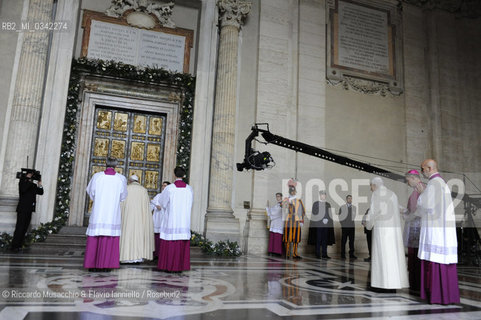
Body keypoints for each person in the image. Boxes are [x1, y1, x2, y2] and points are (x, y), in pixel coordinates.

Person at [415, 159, 459, 304]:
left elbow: (425, 206)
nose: (422, 172)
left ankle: (436, 296)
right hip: (443, 230)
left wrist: (421, 194)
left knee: (434, 261)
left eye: (422, 169)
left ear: (429, 168)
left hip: (436, 231)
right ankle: (446, 295)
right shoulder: (441, 183)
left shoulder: (434, 183)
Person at [84, 157, 127, 272]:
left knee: (95, 237)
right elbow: (123, 196)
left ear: (105, 164)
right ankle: (106, 265)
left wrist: (98, 200)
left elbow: (90, 192)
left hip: (99, 212)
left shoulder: (97, 176)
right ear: (116, 166)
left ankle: (92, 265)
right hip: (112, 213)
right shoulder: (121, 179)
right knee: (109, 239)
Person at [366, 177, 409, 291]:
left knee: (382, 257)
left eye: (371, 186)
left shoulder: (376, 194)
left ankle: (383, 284)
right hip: (394, 231)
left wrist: (368, 224)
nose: (371, 189)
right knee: (392, 258)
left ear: (374, 185)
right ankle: (393, 285)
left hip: (382, 231)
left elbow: (373, 212)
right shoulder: (392, 194)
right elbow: (398, 208)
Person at [156, 167, 193, 272]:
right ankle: (180, 266)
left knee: (171, 242)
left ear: (174, 175)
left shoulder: (170, 188)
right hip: (184, 221)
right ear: (184, 175)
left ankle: (168, 266)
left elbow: (163, 203)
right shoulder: (189, 189)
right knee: (181, 243)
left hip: (172, 220)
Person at [119, 175, 154, 264]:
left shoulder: (126, 188)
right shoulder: (143, 190)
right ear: (138, 181)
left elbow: (121, 204)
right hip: (140, 218)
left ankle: (125, 257)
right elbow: (147, 207)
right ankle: (138, 258)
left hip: (127, 217)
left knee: (127, 235)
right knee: (138, 236)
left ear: (130, 181)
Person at [402, 169, 425, 292]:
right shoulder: (414, 192)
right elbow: (411, 211)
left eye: (408, 180)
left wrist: (407, 214)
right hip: (413, 229)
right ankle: (414, 283)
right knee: (413, 257)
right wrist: (404, 211)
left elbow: (422, 211)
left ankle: (418, 283)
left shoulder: (423, 190)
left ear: (414, 178)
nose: (407, 183)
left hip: (420, 229)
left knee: (417, 257)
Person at [10, 171, 44, 252]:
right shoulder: (22, 182)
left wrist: (39, 184)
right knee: (20, 227)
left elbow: (41, 192)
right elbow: (23, 189)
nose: (31, 176)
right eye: (30, 175)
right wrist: (27, 178)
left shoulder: (33, 185)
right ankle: (14, 246)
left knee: (24, 228)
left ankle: (19, 245)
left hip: (29, 209)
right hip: (22, 209)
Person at [282, 180, 305, 259]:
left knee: (296, 238)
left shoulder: (299, 201)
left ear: (295, 192)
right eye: (291, 191)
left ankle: (295, 254)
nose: (292, 192)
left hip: (296, 221)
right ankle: (287, 253)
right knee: (287, 237)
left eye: (294, 191)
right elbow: (283, 209)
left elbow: (302, 211)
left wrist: (301, 221)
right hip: (288, 221)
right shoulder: (286, 200)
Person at [310, 190, 335, 259]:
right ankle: (318, 254)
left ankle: (324, 254)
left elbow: (329, 214)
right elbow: (314, 214)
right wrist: (321, 219)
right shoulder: (316, 203)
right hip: (318, 224)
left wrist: (327, 220)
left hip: (326, 225)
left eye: (324, 195)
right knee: (318, 239)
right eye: (321, 195)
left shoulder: (328, 204)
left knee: (325, 239)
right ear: (320, 195)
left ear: (325, 196)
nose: (323, 196)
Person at [151, 181, 170, 259]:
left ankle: (162, 254)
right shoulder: (158, 196)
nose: (163, 187)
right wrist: (156, 207)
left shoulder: (170, 195)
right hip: (157, 219)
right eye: (163, 186)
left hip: (165, 218)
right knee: (156, 237)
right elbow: (152, 205)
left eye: (165, 186)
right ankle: (155, 253)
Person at [338, 195, 357, 259]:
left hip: (352, 227)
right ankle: (342, 254)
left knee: (351, 241)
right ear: (346, 199)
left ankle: (351, 254)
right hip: (345, 227)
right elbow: (340, 217)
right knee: (344, 241)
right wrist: (343, 225)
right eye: (349, 198)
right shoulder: (342, 207)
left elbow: (353, 216)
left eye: (351, 199)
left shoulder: (354, 207)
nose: (350, 200)